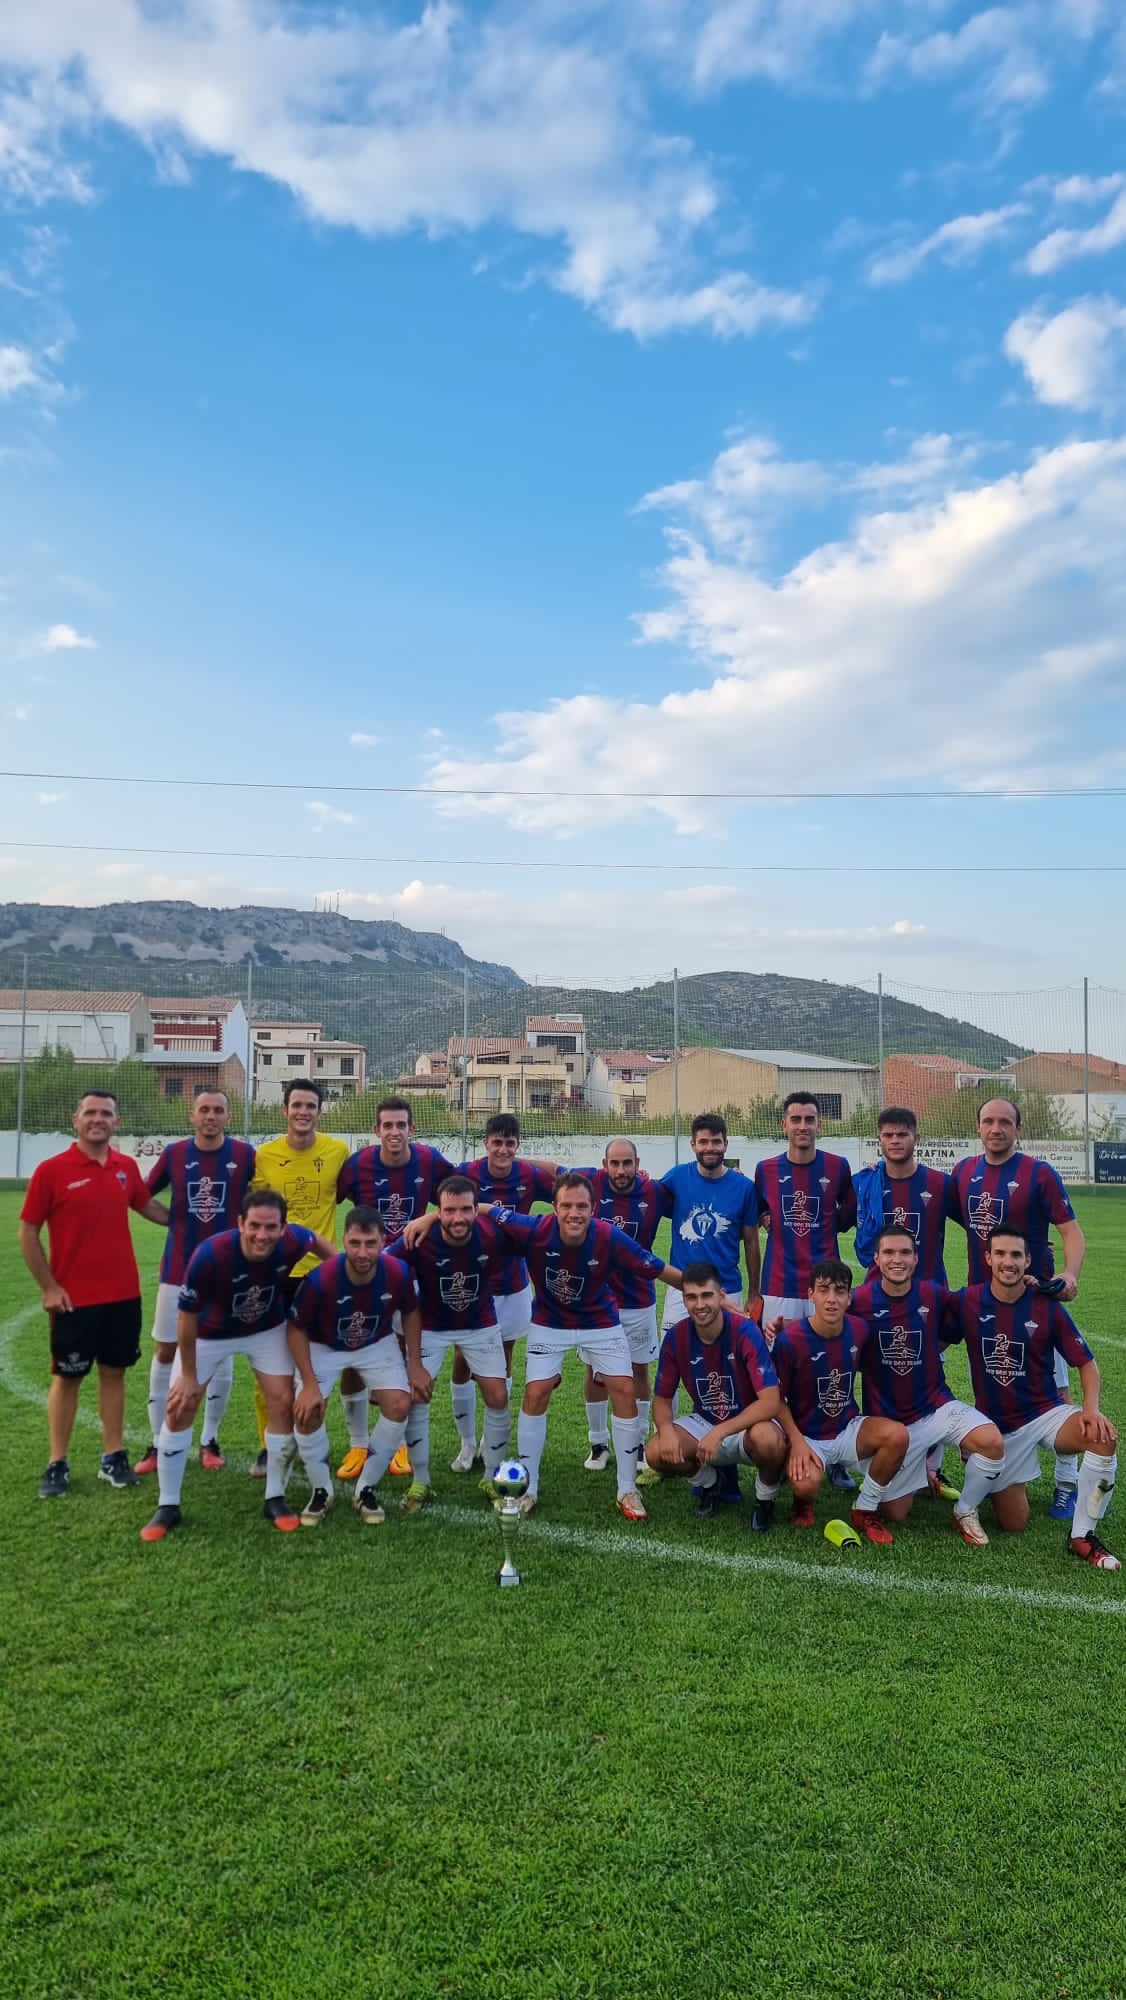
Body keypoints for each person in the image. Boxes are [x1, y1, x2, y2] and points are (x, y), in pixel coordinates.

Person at [139, 1187, 334, 1541]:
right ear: (241, 1222)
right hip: (210, 1333)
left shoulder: (293, 1240)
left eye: (271, 1227)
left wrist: (339, 1275)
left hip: (265, 1328)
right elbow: (186, 1317)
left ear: (283, 1227)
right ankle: (168, 1504)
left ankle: (274, 1497)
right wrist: (187, 1375)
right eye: (255, 1225)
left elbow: (317, 1241)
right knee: (181, 1404)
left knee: (282, 1402)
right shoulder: (210, 1255)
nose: (262, 1234)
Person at [490, 1173, 683, 1520]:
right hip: (550, 1322)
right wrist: (430, 1218)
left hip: (600, 1321)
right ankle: (528, 1488)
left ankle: (627, 1488)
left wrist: (707, 1294)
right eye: (566, 1205)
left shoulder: (607, 1235)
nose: (574, 1213)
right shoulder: (533, 1229)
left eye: (581, 1206)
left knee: (624, 1388)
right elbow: (482, 1210)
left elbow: (655, 1267)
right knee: (536, 1392)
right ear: (554, 1207)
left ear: (593, 1209)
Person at [19, 1088, 170, 1499]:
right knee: (68, 1377)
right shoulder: (52, 1170)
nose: (98, 1119)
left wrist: (192, 1223)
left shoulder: (125, 1167)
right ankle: (57, 1462)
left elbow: (148, 1208)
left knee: (114, 1373)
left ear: (117, 1122)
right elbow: (28, 1231)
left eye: (106, 1113)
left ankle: (113, 1457)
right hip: (74, 1299)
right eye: (90, 1112)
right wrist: (49, 1287)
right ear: (76, 1120)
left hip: (123, 1295)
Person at [946, 1227, 1118, 1568]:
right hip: (999, 1427)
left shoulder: (1046, 1306)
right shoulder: (968, 1300)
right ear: (988, 1258)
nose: (1007, 1262)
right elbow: (934, 1340)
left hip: (1044, 1413)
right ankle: (995, 1472)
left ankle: (1082, 1536)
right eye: (1000, 1254)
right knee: (1014, 1522)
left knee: (1102, 1437)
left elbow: (1086, 1363)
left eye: (1016, 1255)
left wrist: (1091, 1409)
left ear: (1027, 1261)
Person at [947, 1097, 1086, 1519]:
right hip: (984, 1302)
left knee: (1056, 1390)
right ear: (978, 1127)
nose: (996, 1128)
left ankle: (1067, 1484)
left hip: (1034, 1300)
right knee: (994, 1383)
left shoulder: (1039, 1173)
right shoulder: (963, 1172)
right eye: (988, 1121)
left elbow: (1071, 1231)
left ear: (1018, 1129)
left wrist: (1070, 1274)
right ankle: (990, 1459)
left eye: (1005, 1122)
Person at [850, 1224, 1005, 1545]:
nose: (897, 1259)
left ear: (916, 1258)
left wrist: (1028, 1285)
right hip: (892, 1426)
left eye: (905, 1252)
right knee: (896, 1513)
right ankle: (918, 1470)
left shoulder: (931, 1293)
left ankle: (965, 1510)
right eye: (889, 1252)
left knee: (991, 1442)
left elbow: (975, 1299)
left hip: (936, 1407)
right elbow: (826, 1329)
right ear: (876, 1259)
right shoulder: (860, 1300)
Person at [134, 1086, 256, 1476]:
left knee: (220, 1353)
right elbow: (140, 1195)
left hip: (229, 1272)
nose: (211, 1116)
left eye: (218, 1110)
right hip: (178, 1270)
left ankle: (209, 1439)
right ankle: (157, 1442)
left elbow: (261, 1201)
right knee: (166, 1351)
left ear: (228, 1117)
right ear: (192, 1116)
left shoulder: (245, 1155)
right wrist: (172, 1221)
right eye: (204, 1109)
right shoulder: (174, 1154)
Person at [336, 1095, 457, 1480]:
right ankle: (358, 1444)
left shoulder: (429, 1160)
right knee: (353, 1352)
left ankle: (400, 1442)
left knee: (405, 1353)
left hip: (410, 1273)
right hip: (363, 1271)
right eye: (387, 1125)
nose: (394, 1132)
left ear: (411, 1129)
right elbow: (331, 1198)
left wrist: (430, 1217)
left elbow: (458, 1194)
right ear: (376, 1130)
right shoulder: (357, 1165)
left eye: (401, 1125)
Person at [287, 1206, 426, 1527]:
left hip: (375, 1341)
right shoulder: (320, 1279)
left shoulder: (399, 1272)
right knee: (307, 1411)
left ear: (383, 1241)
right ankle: (321, 1490)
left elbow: (411, 1312)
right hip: (323, 1345)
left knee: (399, 1403)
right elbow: (295, 1329)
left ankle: (365, 1489)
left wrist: (415, 1364)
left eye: (370, 1243)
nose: (362, 1252)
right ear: (344, 1241)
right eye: (354, 1243)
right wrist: (308, 1383)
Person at [388, 1176, 517, 1510]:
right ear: (438, 1212)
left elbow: (535, 1236)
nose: (458, 1218)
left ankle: (491, 1477)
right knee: (416, 1396)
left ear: (476, 1210)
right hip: (431, 1326)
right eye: (449, 1211)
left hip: (480, 1323)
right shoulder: (418, 1237)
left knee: (498, 1395)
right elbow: (382, 1263)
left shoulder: (492, 1235)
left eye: (465, 1210)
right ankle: (420, 1482)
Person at [854, 1102, 960, 1501]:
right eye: (888, 1135)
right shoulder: (865, 1183)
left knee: (929, 1378)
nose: (895, 1141)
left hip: (930, 1301)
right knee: (880, 1372)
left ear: (916, 1137)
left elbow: (980, 1226)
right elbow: (832, 1217)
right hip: (879, 1296)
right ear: (879, 1140)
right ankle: (880, 1454)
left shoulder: (941, 1183)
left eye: (903, 1134)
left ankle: (931, 1467)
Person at [754, 1092, 858, 1492]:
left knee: (832, 1370)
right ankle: (782, 1450)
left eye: (809, 1119)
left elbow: (846, 1216)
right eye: (795, 1119)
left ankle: (836, 1456)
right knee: (776, 1373)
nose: (802, 1126)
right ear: (784, 1124)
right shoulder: (765, 1169)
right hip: (779, 1285)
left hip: (825, 1290)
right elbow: (759, 1213)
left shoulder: (838, 1166)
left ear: (819, 1124)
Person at [770, 1260, 910, 1544]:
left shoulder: (860, 1329)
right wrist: (796, 1441)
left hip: (847, 1428)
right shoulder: (790, 1341)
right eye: (823, 1290)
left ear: (849, 1297)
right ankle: (801, 1502)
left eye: (839, 1291)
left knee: (897, 1436)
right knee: (806, 1485)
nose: (831, 1298)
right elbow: (776, 1399)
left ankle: (865, 1508)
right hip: (808, 1435)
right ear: (811, 1295)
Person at [251, 1078, 351, 1476]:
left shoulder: (338, 1151)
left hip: (320, 1276)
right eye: (297, 1105)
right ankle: (269, 1445)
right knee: (269, 1364)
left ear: (320, 1111)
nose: (303, 1112)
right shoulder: (265, 1156)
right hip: (275, 1275)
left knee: (317, 1368)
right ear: (285, 1110)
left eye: (310, 1105)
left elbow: (343, 1195)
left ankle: (312, 1443)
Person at [447, 1113, 556, 1471]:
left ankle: (488, 1439)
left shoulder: (528, 1175)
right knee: (463, 1357)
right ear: (486, 1143)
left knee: (504, 1356)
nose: (503, 1149)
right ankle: (466, 1443)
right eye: (497, 1142)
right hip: (472, 1280)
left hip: (513, 1280)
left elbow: (567, 1181)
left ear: (517, 1145)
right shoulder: (466, 1173)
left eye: (510, 1143)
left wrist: (532, 1162)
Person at [646, 1261, 784, 1531]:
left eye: (706, 1295)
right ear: (684, 1300)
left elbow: (770, 1402)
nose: (700, 1305)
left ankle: (765, 1498)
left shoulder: (745, 1331)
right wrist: (667, 1430)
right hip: (707, 1420)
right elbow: (662, 1399)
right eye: (691, 1297)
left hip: (749, 1423)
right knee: (655, 1451)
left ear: (721, 1296)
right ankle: (710, 1483)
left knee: (769, 1441)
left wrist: (720, 1432)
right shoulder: (676, 1337)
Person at [576, 1139, 666, 1483]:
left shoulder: (655, 1192)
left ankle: (639, 1443)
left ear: (638, 1164)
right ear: (604, 1164)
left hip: (639, 1299)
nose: (621, 1170)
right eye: (614, 1163)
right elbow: (553, 1172)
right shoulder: (590, 1182)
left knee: (639, 1370)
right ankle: (598, 1443)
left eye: (627, 1163)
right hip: (597, 1301)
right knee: (595, 1371)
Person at [655, 1114, 760, 1328]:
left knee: (726, 1349)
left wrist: (753, 1293)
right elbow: (645, 1198)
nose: (709, 1148)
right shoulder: (676, 1177)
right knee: (676, 1347)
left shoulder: (745, 1188)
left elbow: (751, 1242)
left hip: (727, 1288)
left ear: (726, 1144)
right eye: (703, 1141)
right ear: (693, 1144)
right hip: (682, 1288)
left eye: (716, 1141)